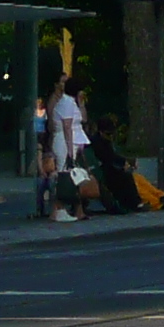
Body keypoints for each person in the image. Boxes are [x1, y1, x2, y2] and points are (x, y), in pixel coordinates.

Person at [45, 77, 93, 221]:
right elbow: (67, 126)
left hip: (73, 141)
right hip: (66, 142)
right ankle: (57, 209)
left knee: (74, 177)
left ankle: (75, 209)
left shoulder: (71, 103)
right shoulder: (66, 103)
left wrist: (81, 103)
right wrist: (70, 149)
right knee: (65, 175)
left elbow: (82, 119)